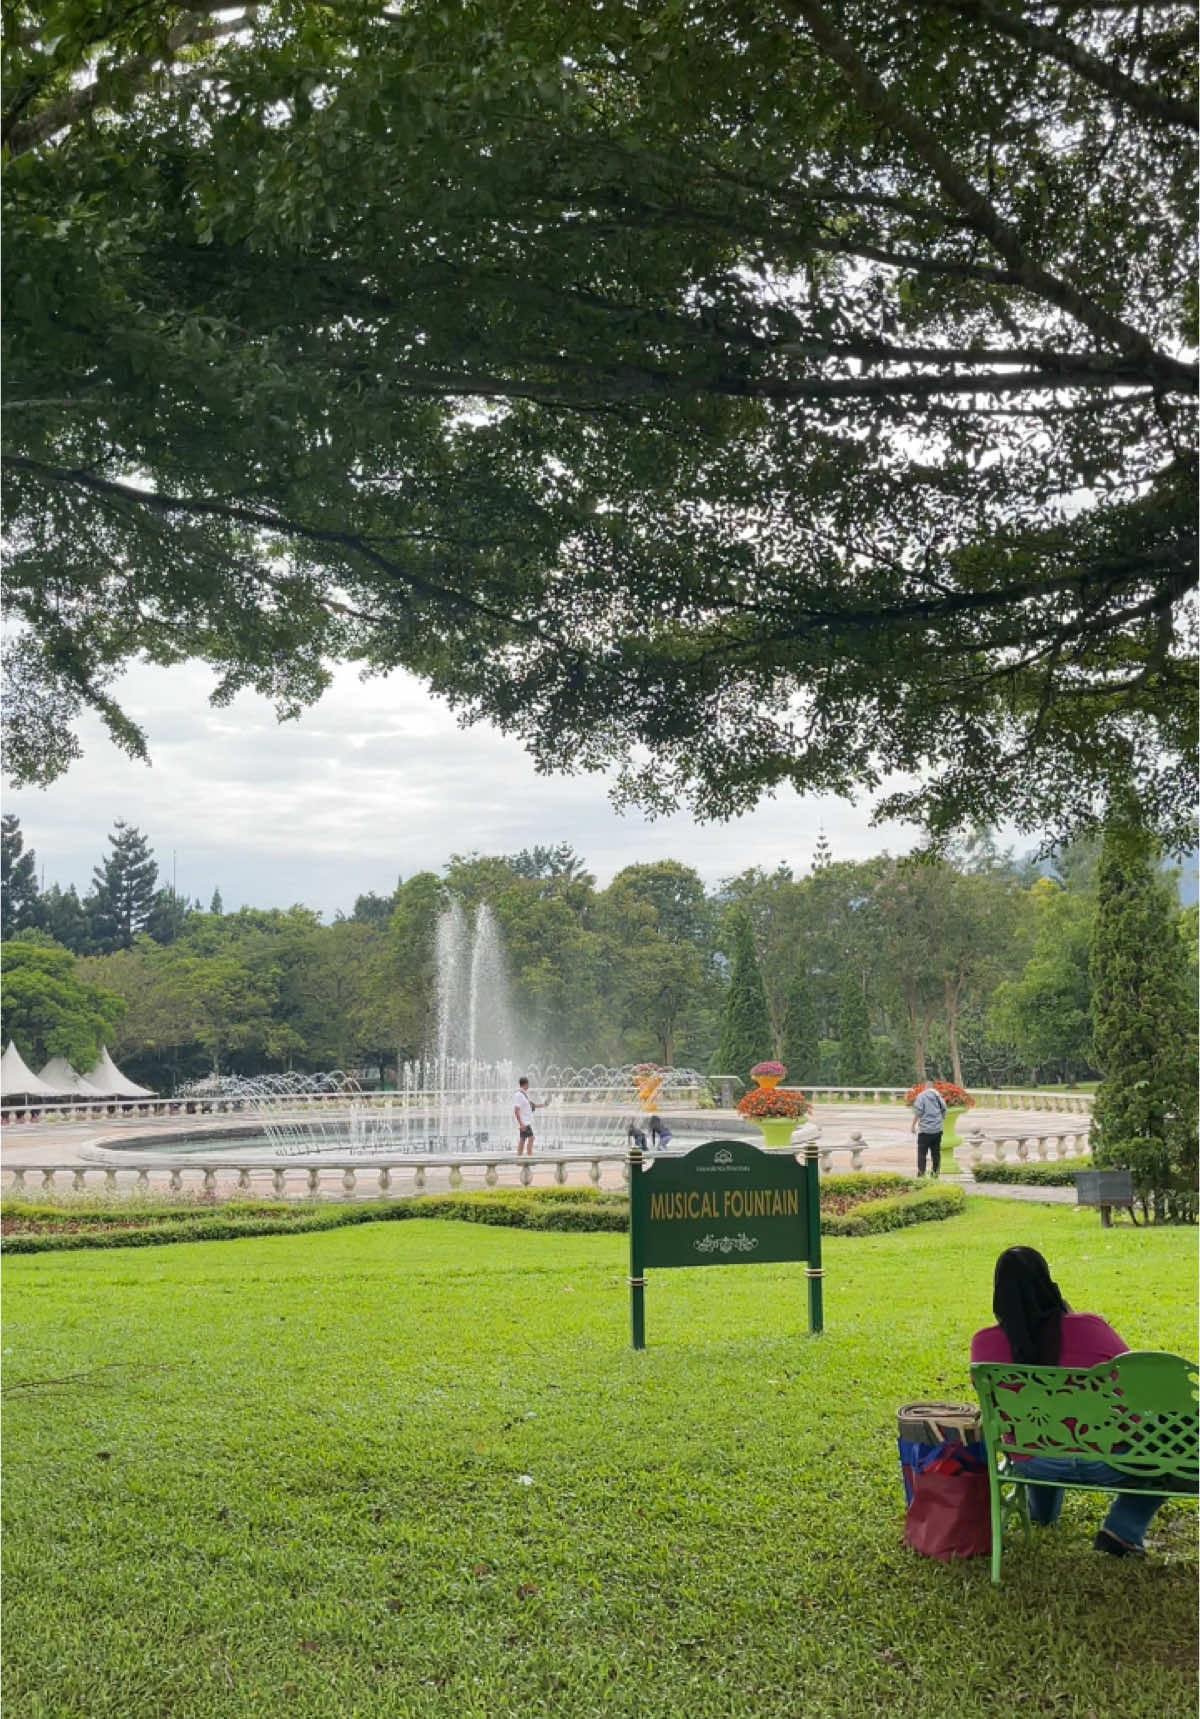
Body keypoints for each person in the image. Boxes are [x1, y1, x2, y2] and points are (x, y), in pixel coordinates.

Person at [971, 1246, 1168, 1558]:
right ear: (1049, 1284)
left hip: (1034, 1463)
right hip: (1110, 1462)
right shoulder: (1090, 1328)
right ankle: (1123, 1530)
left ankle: (1042, 1514)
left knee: (1039, 1425)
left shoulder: (983, 1345)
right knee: (1175, 1446)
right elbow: (1138, 1384)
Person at [910, 1081, 947, 1177]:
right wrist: (939, 1120)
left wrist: (913, 1125)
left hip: (925, 1130)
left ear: (925, 1087)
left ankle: (921, 1174)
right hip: (937, 1130)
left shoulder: (921, 1096)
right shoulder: (938, 1096)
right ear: (932, 1087)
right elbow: (944, 1109)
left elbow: (918, 1111)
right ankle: (935, 1174)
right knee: (936, 1153)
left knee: (922, 1153)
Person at [513, 1077, 549, 1157]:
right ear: (525, 1084)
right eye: (528, 1084)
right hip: (524, 1122)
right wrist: (521, 1124)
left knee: (523, 1139)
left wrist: (544, 1105)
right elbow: (516, 1110)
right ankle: (529, 1157)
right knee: (531, 1138)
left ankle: (519, 1157)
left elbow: (532, 1105)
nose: (529, 1086)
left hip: (525, 1121)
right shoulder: (519, 1095)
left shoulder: (524, 1095)